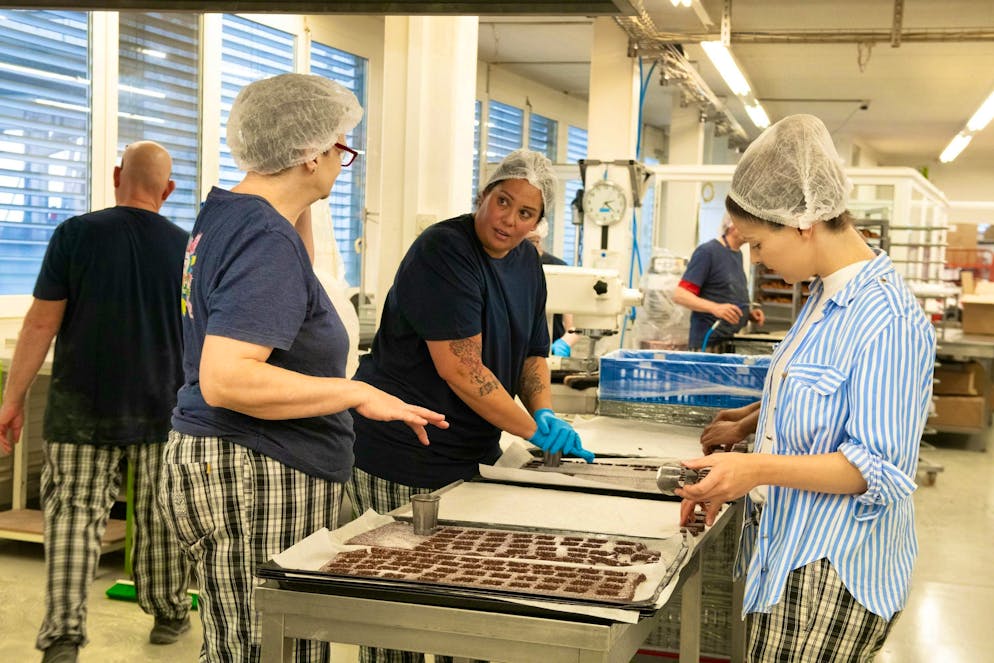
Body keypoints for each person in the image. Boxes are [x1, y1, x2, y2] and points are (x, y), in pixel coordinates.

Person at [157, 73, 447, 663]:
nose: (344, 162)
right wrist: (353, 393)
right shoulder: (263, 236)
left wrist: (304, 200)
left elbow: (293, 285)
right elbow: (227, 377)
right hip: (253, 470)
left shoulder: (232, 215)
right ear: (309, 152)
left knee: (266, 642)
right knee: (268, 651)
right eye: (342, 147)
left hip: (231, 463)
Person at [675, 114, 935, 662]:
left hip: (830, 568)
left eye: (758, 242)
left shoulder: (888, 320)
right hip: (788, 546)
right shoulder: (821, 295)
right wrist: (747, 423)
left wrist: (754, 470)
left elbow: (879, 470)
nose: (754, 257)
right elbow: (815, 389)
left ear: (804, 222)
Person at [349, 149, 594, 663]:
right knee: (401, 617)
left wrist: (545, 411)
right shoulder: (444, 251)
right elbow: (461, 369)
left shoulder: (528, 262)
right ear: (483, 195)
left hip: (470, 456)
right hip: (405, 451)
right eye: (502, 201)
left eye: (526, 213)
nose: (509, 219)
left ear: (538, 222)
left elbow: (533, 351)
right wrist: (530, 430)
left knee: (457, 608)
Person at [0, 141, 193, 663]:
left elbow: (41, 322)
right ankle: (170, 612)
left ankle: (63, 635)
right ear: (168, 190)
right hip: (163, 405)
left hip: (80, 407)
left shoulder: (75, 234)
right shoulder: (187, 247)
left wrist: (12, 400)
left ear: (115, 176)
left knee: (72, 518)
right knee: (160, 517)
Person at [673, 213, 765, 351]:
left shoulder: (737, 254)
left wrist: (748, 314)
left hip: (728, 340)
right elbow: (680, 295)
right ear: (732, 226)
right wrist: (715, 308)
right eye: (748, 226)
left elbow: (725, 292)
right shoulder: (707, 252)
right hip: (708, 343)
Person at [524, 219, 581, 357]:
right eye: (530, 242)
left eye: (537, 241)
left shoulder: (559, 269)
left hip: (551, 350)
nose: (537, 247)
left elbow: (573, 327)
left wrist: (564, 343)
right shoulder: (505, 268)